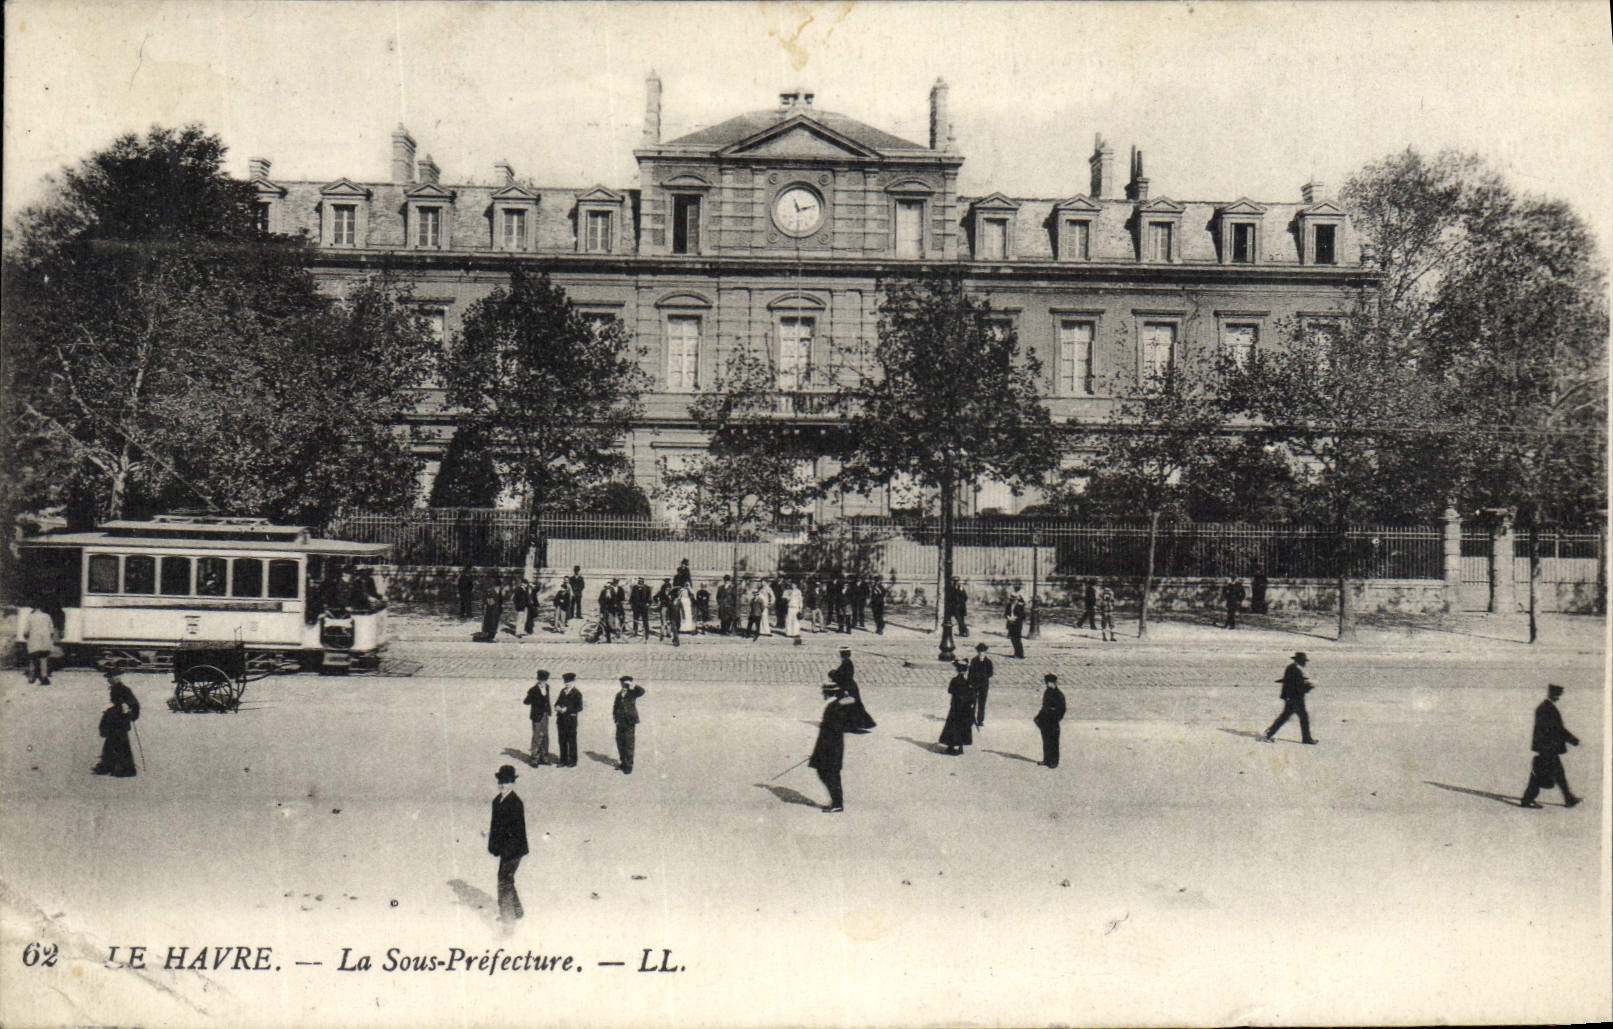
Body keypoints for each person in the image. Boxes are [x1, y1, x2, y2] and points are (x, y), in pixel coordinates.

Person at [1520, 684, 1581, 809]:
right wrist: (1573, 740)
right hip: (1548, 748)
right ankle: (1527, 800)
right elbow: (1557, 729)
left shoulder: (1545, 707)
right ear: (1552, 694)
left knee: (1556, 774)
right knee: (1540, 776)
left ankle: (1569, 798)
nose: (1559, 697)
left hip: (1547, 748)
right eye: (1557, 694)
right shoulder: (1547, 708)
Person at [488, 765, 528, 923]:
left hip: (514, 849)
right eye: (500, 781)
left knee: (504, 881)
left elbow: (517, 832)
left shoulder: (515, 803)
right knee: (506, 879)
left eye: (506, 781)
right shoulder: (497, 801)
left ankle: (508, 918)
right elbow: (495, 827)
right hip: (505, 849)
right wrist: (493, 846)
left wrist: (507, 849)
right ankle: (517, 911)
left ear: (513, 783)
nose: (502, 784)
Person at [808, 683, 856, 813]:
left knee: (828, 773)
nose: (822, 694)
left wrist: (820, 751)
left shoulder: (833, 707)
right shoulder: (836, 705)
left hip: (830, 747)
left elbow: (831, 731)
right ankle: (836, 802)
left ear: (829, 693)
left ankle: (837, 803)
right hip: (831, 746)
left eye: (824, 692)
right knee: (829, 773)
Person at [1264, 652, 1317, 744]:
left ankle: (1269, 733)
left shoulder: (1292, 668)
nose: (1305, 663)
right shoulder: (1293, 669)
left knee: (1285, 717)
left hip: (1293, 698)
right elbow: (1294, 685)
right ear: (1299, 661)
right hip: (1295, 698)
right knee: (1302, 718)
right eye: (1304, 661)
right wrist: (1308, 687)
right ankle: (1306, 739)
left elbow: (1291, 682)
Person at [92, 674, 140, 777]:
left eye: (110, 679)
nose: (108, 681)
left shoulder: (124, 690)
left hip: (120, 721)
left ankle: (126, 768)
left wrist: (130, 712)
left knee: (121, 744)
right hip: (116, 720)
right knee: (111, 743)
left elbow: (133, 705)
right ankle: (108, 765)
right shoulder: (115, 689)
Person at [828, 647, 877, 732]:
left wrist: (833, 673)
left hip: (848, 687)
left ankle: (853, 725)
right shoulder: (847, 663)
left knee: (851, 706)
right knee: (853, 706)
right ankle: (854, 724)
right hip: (850, 687)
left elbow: (845, 676)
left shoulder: (846, 663)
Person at [938, 660, 974, 756]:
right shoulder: (967, 682)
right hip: (965, 708)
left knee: (952, 726)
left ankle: (951, 746)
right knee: (963, 726)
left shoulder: (954, 680)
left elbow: (950, 690)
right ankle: (960, 746)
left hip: (955, 706)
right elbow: (971, 695)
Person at [612, 676, 647, 774]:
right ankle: (623, 763)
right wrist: (615, 718)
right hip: (620, 722)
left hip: (629, 722)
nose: (623, 685)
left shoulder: (633, 693)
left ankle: (628, 767)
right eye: (622, 683)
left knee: (629, 744)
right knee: (620, 742)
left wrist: (633, 685)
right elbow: (615, 707)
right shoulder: (618, 694)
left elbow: (642, 691)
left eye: (626, 683)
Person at [1034, 673, 1067, 768]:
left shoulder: (1058, 694)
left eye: (1050, 683)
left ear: (1055, 683)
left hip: (1053, 721)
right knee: (1046, 741)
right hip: (1045, 721)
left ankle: (1054, 762)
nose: (1048, 685)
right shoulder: (1047, 692)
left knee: (1054, 742)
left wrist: (1055, 719)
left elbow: (1062, 709)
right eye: (1047, 683)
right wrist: (1038, 717)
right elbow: (1044, 706)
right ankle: (1046, 760)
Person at [524, 671, 552, 766]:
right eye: (541, 680)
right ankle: (534, 758)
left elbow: (547, 700)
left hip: (545, 715)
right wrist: (533, 699)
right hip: (536, 715)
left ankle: (544, 757)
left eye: (544, 680)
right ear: (538, 680)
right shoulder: (533, 690)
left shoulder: (547, 687)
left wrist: (548, 711)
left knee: (545, 735)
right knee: (536, 736)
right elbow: (526, 701)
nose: (543, 682)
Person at [554, 674, 583, 767]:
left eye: (569, 682)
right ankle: (563, 760)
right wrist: (557, 706)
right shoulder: (562, 691)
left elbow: (579, 707)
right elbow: (557, 702)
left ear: (573, 682)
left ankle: (573, 761)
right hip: (561, 720)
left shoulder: (577, 693)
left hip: (571, 721)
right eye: (565, 682)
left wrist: (567, 709)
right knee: (562, 740)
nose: (567, 684)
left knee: (571, 741)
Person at [25, 605, 57, 685]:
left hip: (34, 641)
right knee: (43, 659)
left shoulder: (30, 617)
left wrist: (26, 636)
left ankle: (31, 678)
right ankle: (44, 676)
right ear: (42, 608)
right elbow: (52, 631)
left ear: (34, 608)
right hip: (44, 642)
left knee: (32, 659)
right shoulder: (47, 616)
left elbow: (26, 631)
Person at [967, 642, 995, 727]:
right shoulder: (974, 661)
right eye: (979, 652)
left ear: (985, 653)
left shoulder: (988, 662)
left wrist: (983, 676)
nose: (981, 654)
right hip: (975, 684)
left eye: (983, 652)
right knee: (973, 702)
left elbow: (991, 673)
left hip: (984, 685)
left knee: (982, 703)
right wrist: (970, 683)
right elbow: (970, 673)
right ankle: (971, 718)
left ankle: (980, 720)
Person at [1005, 588, 1028, 659]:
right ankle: (1016, 653)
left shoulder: (1020, 606)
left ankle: (1020, 654)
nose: (1013, 600)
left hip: (1017, 625)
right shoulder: (1009, 605)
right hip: (1010, 624)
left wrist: (1016, 618)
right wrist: (1008, 617)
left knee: (1017, 639)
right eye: (1012, 598)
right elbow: (1005, 614)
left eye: (1015, 599)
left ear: (1017, 599)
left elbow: (1023, 616)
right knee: (1012, 639)